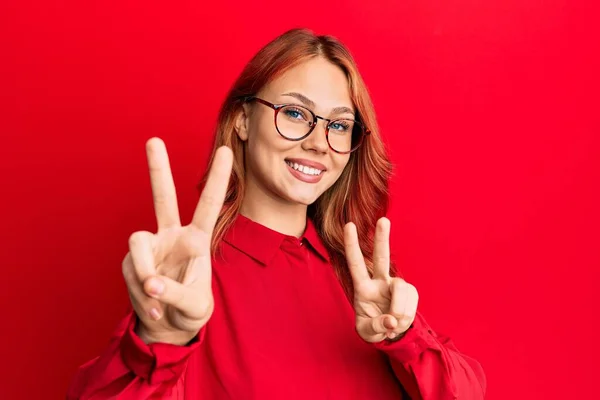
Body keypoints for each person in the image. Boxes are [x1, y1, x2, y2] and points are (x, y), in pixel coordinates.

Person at [67, 28, 486, 400]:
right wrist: (160, 341)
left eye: (339, 125)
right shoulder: (191, 278)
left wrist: (405, 338)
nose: (320, 143)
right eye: (295, 113)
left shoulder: (360, 278)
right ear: (243, 120)